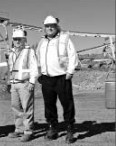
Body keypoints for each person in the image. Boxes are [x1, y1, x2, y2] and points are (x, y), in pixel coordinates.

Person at [36, 15, 79, 144]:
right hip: (47, 78)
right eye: (47, 26)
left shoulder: (65, 39)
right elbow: (37, 59)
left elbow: (73, 55)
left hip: (62, 77)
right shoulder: (41, 42)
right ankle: (52, 128)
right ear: (44, 28)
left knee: (67, 104)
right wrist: (39, 74)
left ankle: (70, 129)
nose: (50, 28)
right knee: (49, 106)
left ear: (56, 27)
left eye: (52, 26)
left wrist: (70, 71)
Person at [6, 29, 39, 142]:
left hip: (25, 83)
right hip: (14, 84)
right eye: (15, 39)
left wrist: (32, 82)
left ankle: (28, 131)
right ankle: (19, 129)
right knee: (16, 108)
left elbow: (34, 67)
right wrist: (9, 82)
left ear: (24, 40)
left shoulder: (29, 51)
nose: (17, 41)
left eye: (19, 39)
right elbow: (11, 69)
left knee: (27, 108)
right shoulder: (11, 53)